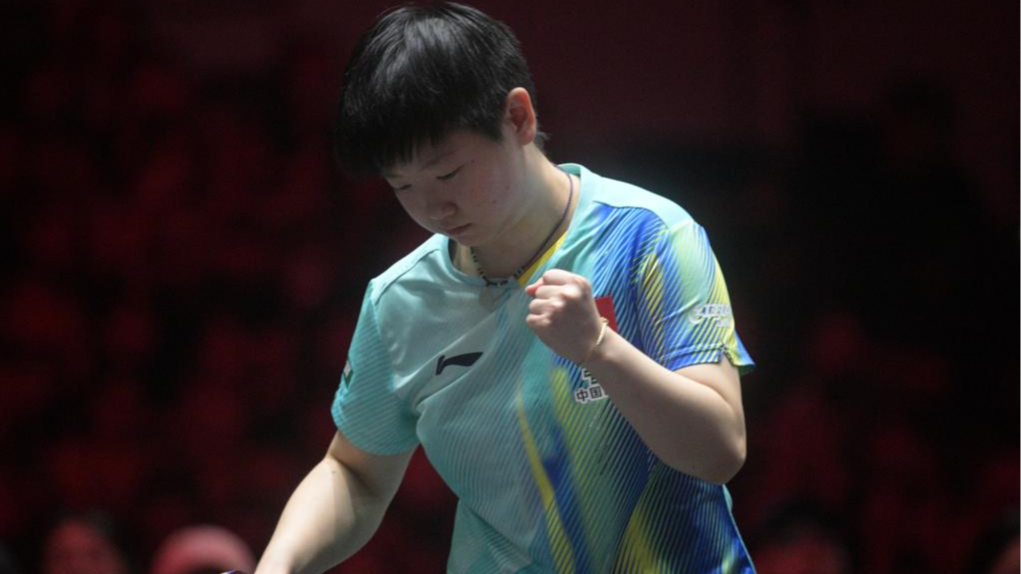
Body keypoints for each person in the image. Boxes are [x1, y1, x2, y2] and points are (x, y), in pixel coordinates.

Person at [255, 3, 755, 573]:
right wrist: (279, 566)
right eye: (403, 185)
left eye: (447, 174)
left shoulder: (651, 238)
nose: (432, 207)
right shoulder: (399, 302)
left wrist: (599, 349)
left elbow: (720, 450)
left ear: (517, 118)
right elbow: (355, 473)